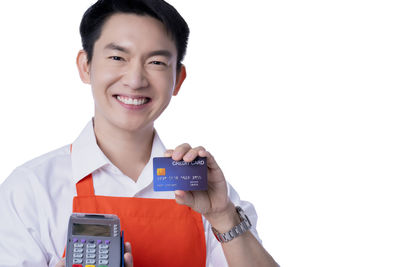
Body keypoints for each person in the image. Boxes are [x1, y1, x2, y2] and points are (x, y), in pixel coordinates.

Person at [0, 0, 278, 266]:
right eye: (118, 57)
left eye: (156, 62)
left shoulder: (204, 188)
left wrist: (223, 216)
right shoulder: (31, 190)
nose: (135, 80)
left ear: (177, 79)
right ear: (86, 66)